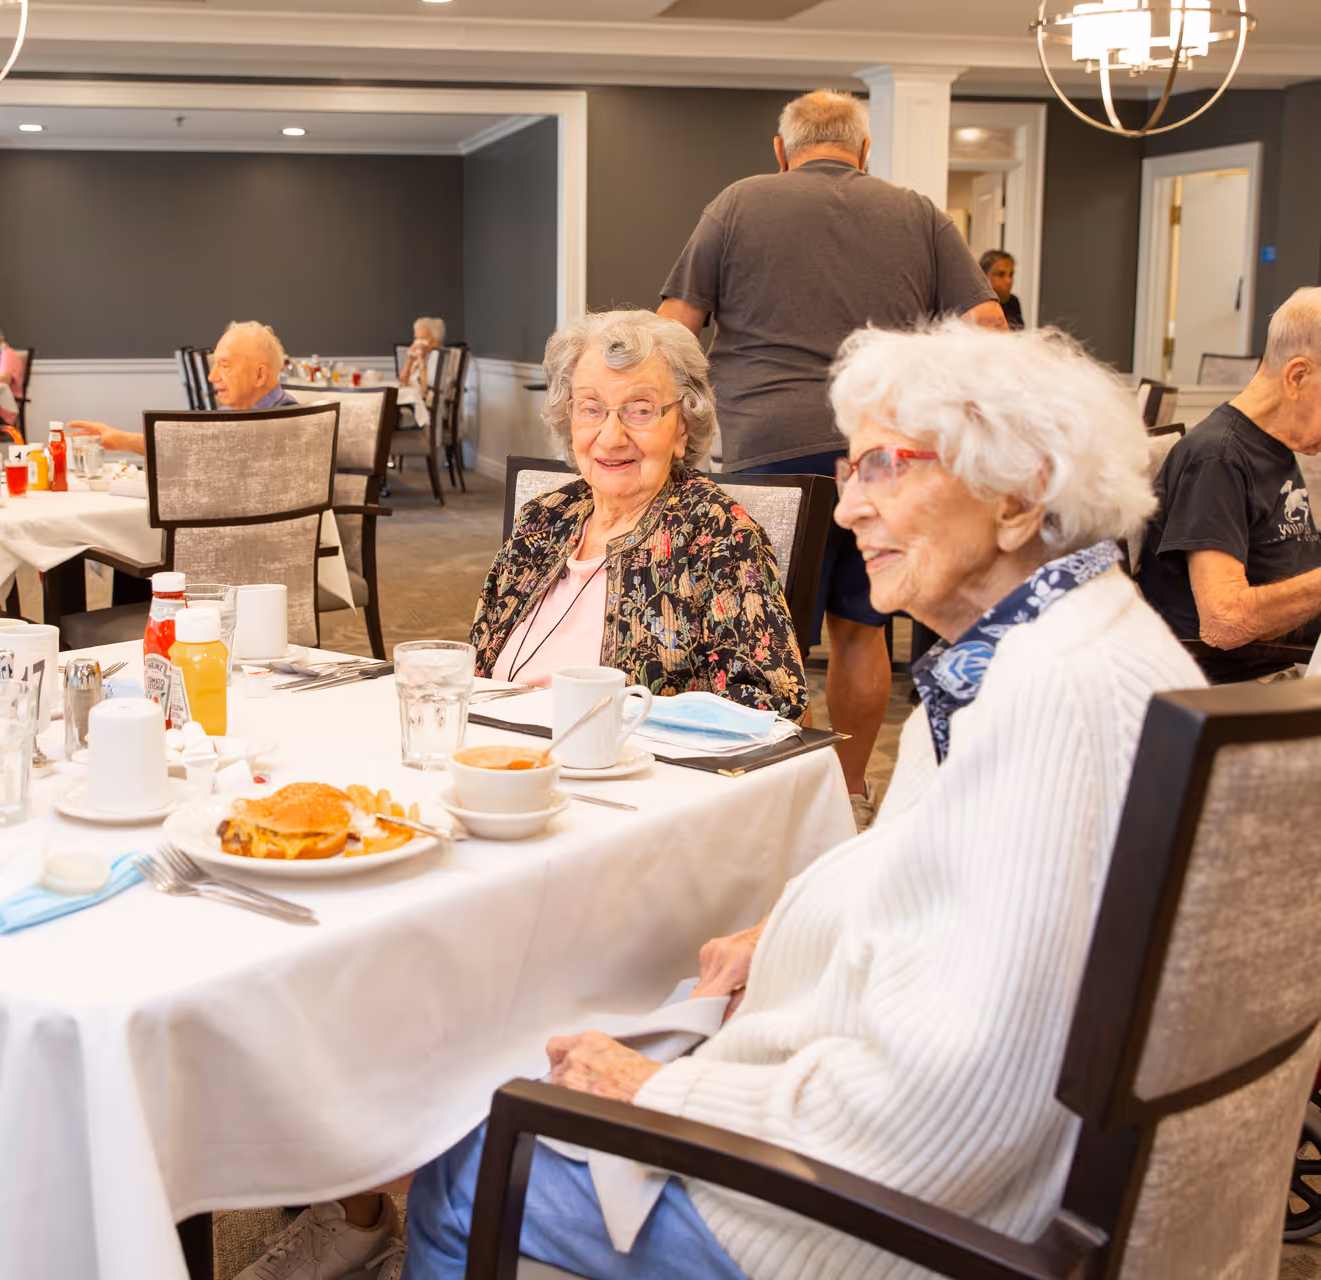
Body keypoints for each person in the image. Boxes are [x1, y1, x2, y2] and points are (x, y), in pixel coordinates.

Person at [405, 321, 1203, 1280]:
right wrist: (782, 930)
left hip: (873, 1226)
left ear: (1022, 494)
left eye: (884, 468)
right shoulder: (1039, 649)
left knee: (462, 1169)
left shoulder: (1058, 697)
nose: (853, 508)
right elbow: (940, 882)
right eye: (850, 467)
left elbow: (955, 1113)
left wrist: (663, 1094)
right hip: (868, 1121)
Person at [657, 88, 1005, 829]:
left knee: (758, 632)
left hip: (767, 454)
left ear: (782, 152)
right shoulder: (916, 211)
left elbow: (673, 329)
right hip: (884, 455)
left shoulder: (739, 202)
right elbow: (988, 325)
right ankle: (847, 792)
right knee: (864, 628)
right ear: (863, 152)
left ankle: (765, 798)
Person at [469, 309, 806, 713]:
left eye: (641, 410)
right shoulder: (542, 519)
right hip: (507, 760)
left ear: (682, 427)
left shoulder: (716, 534)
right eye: (592, 408)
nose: (611, 437)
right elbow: (474, 669)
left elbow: (773, 705)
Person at [1136, 286, 1321, 682]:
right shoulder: (1217, 458)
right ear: (1298, 376)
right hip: (1236, 689)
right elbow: (1224, 622)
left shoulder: (1276, 447)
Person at [67, 320, 296, 455]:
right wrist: (122, 439)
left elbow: (218, 451)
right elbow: (191, 446)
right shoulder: (232, 414)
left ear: (259, 375)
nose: (211, 376)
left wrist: (127, 441)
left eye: (224, 366)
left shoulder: (293, 423)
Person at [399, 315, 447, 401]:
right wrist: (409, 360)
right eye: (416, 338)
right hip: (411, 400)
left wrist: (421, 359)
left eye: (422, 338)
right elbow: (402, 382)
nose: (418, 342)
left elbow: (425, 390)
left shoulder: (439, 360)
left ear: (436, 341)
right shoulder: (418, 359)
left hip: (424, 406)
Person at [981, 249, 1026, 330]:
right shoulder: (975, 305)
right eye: (1001, 274)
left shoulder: (1013, 303)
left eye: (1011, 275)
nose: (1009, 281)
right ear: (984, 276)